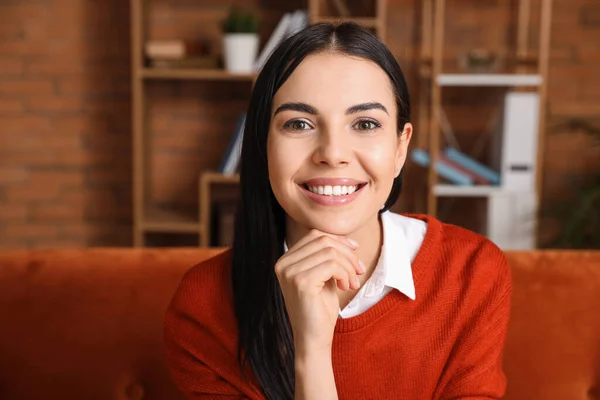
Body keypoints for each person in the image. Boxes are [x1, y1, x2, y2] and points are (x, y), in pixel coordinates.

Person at [163, 22, 512, 400]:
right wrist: (311, 353)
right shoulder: (203, 305)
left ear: (400, 148)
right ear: (263, 147)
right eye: (299, 123)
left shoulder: (471, 273)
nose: (332, 153)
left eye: (365, 124)